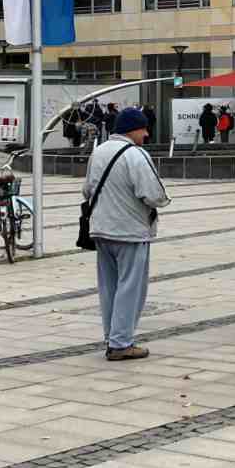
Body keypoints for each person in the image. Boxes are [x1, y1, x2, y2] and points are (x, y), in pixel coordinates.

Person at [83, 108, 171, 361]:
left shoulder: (98, 152)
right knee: (131, 287)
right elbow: (154, 194)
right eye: (143, 129)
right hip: (130, 231)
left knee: (108, 287)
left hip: (101, 230)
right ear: (132, 129)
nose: (147, 133)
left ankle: (112, 337)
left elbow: (86, 190)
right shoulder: (135, 155)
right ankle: (121, 343)